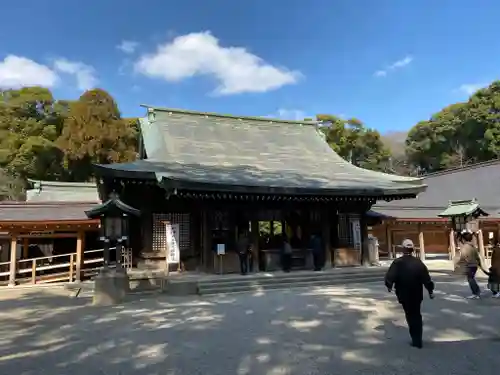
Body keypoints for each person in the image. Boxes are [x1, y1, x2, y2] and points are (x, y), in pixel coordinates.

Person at [385, 239, 435, 349]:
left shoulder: (398, 262)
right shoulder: (418, 263)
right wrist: (430, 290)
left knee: (410, 315)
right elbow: (426, 279)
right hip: (417, 294)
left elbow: (390, 276)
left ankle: (415, 339)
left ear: (403, 249)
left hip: (403, 294)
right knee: (416, 314)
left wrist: (389, 285)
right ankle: (418, 339)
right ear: (412, 250)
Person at [454, 229, 488, 299]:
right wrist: (480, 264)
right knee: (471, 278)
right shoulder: (473, 246)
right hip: (474, 265)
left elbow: (462, 257)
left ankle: (476, 293)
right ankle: (477, 292)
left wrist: (457, 264)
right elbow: (477, 256)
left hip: (469, 265)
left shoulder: (464, 247)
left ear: (463, 239)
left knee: (470, 279)